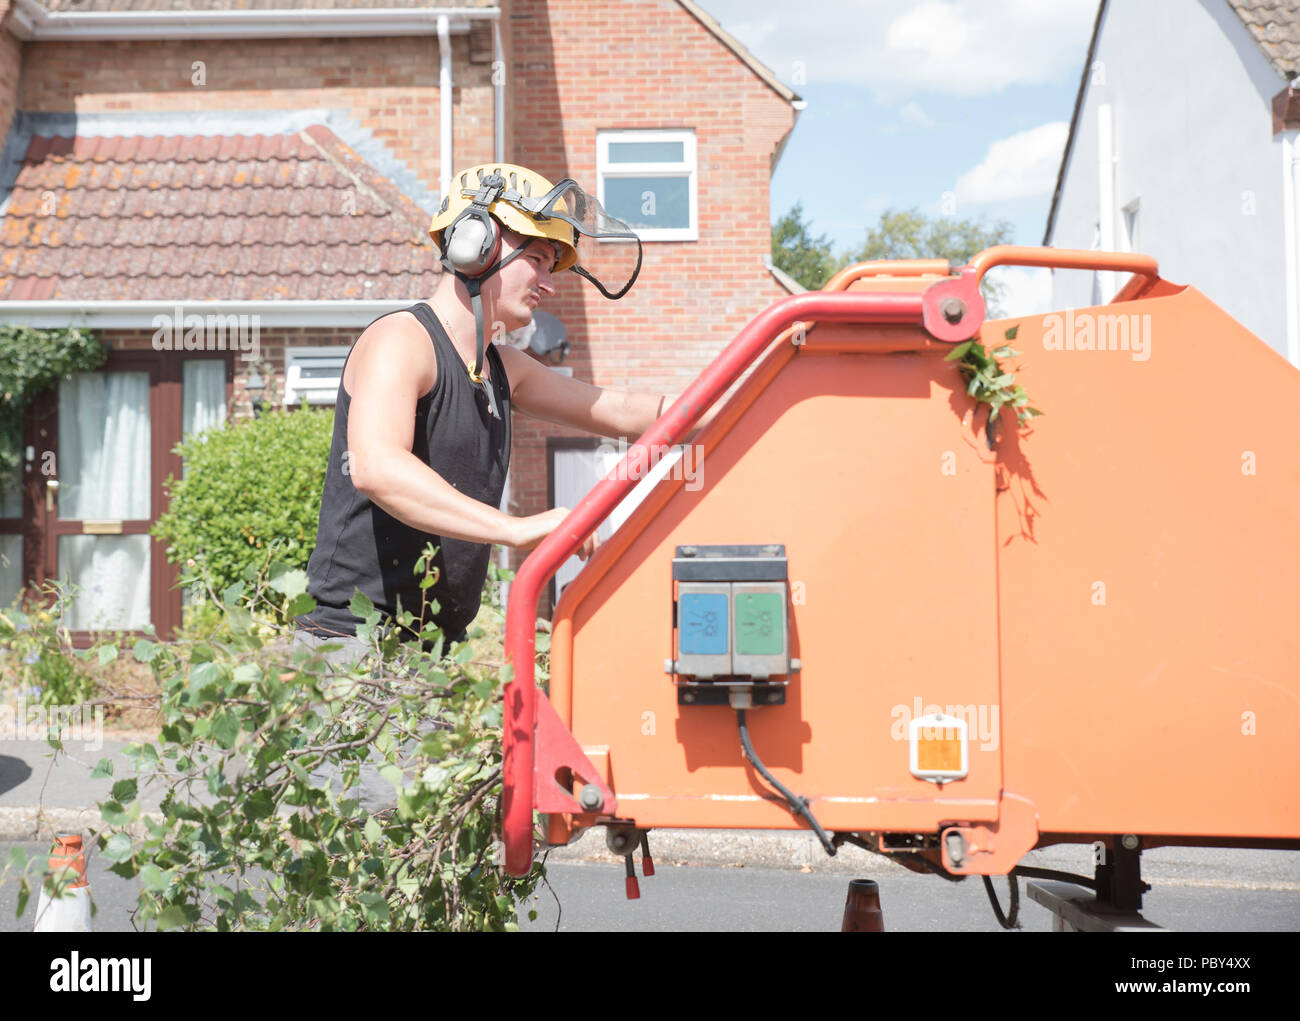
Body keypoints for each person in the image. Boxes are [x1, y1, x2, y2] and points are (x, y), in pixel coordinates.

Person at [294, 163, 704, 664]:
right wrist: (516, 528)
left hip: (436, 650)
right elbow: (376, 467)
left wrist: (743, 396)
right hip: (353, 646)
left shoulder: (503, 368)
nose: (547, 283)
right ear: (476, 243)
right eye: (536, 258)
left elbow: (618, 409)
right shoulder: (402, 341)